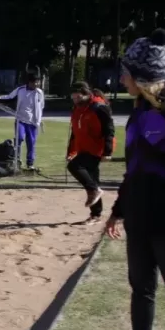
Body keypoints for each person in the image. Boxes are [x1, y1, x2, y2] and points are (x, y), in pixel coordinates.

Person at [104, 28, 165, 330]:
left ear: (141, 76)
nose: (120, 78)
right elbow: (135, 168)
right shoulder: (137, 113)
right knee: (142, 289)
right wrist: (119, 209)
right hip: (139, 218)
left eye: (125, 72)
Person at [66, 81, 115, 225]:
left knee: (75, 167)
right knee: (93, 179)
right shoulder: (77, 108)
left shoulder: (99, 107)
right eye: (73, 98)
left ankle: (94, 191)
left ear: (86, 94)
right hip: (83, 147)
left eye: (77, 97)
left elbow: (109, 129)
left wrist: (107, 151)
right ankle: (96, 214)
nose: (75, 100)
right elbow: (75, 132)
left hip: (96, 148)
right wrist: (71, 150)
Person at [0, 73, 45, 169]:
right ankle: (17, 159)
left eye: (38, 82)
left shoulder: (39, 93)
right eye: (35, 82)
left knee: (31, 143)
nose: (37, 84)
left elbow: (41, 107)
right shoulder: (20, 90)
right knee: (19, 138)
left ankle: (30, 163)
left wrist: (39, 120)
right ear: (29, 82)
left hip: (33, 122)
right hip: (20, 120)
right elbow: (9, 97)